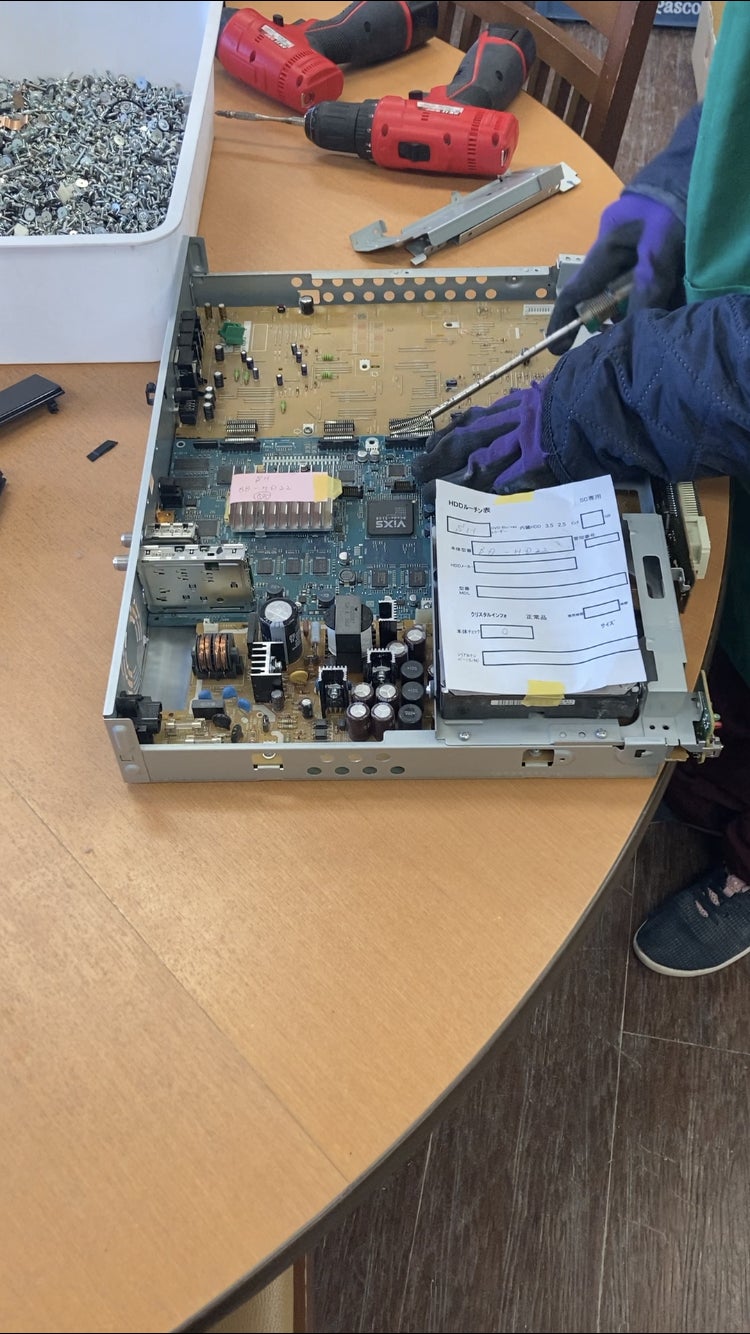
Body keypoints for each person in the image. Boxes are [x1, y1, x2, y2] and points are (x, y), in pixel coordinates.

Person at [412, 5, 750, 979]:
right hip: (715, 422)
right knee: (721, 668)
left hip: (716, 391)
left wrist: (589, 405)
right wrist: (676, 193)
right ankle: (707, 783)